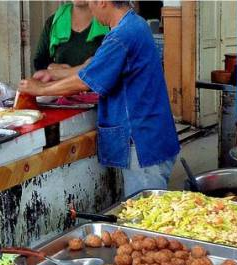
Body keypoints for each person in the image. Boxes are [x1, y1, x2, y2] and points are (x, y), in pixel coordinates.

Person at [20, 1, 179, 198]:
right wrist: (56, 74)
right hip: (153, 135)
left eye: (91, 4)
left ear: (102, 2)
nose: (91, 11)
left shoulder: (122, 35)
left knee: (144, 218)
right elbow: (96, 67)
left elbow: (87, 81)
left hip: (143, 141)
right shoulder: (135, 24)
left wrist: (40, 89)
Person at [33, 1, 109, 72]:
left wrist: (67, 72)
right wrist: (50, 66)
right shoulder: (54, 22)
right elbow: (39, 61)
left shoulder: (109, 21)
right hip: (60, 85)